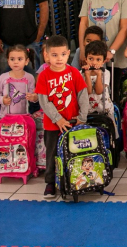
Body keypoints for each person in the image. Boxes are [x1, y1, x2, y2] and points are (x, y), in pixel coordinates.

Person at [36, 35, 90, 199]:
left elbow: (83, 95)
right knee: (52, 153)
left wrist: (83, 116)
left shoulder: (74, 72)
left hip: (74, 121)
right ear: (46, 55)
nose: (59, 59)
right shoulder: (44, 76)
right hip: (52, 124)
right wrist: (57, 119)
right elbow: (44, 102)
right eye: (54, 55)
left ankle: (76, 178)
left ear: (68, 54)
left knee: (75, 151)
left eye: (62, 54)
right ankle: (50, 183)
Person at [78, 0, 127, 98]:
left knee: (112, 93)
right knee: (90, 92)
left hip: (114, 55)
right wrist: (82, 50)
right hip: (92, 55)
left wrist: (111, 51)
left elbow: (125, 28)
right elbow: (83, 24)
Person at [0, 45, 38, 119]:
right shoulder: (3, 77)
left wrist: (34, 98)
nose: (16, 62)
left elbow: (33, 95)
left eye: (20, 59)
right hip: (5, 117)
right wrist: (2, 100)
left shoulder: (30, 78)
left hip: (23, 117)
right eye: (12, 59)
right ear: (8, 61)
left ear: (26, 61)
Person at [82, 40, 113, 115]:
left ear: (103, 61)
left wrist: (99, 74)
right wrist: (87, 75)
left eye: (98, 59)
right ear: (86, 59)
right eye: (90, 59)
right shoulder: (81, 73)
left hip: (105, 109)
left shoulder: (105, 73)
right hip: (88, 110)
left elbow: (99, 91)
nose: (94, 62)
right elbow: (88, 92)